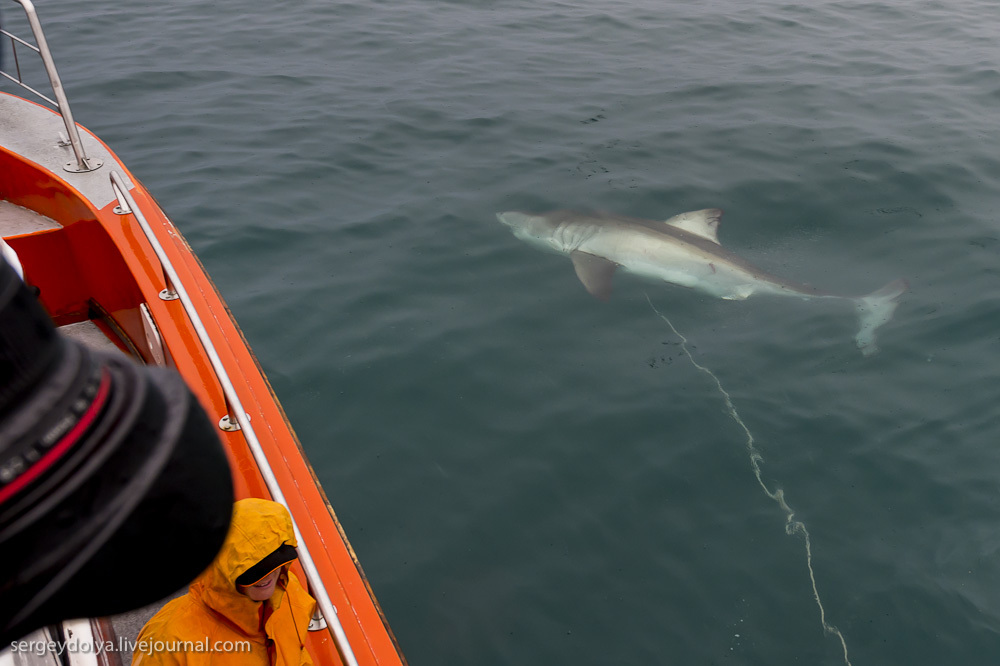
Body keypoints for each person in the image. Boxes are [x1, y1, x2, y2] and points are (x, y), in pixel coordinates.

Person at [132, 498, 316, 665]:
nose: (268, 577)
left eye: (275, 562)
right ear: (223, 575)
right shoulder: (168, 640)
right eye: (253, 573)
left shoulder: (289, 590)